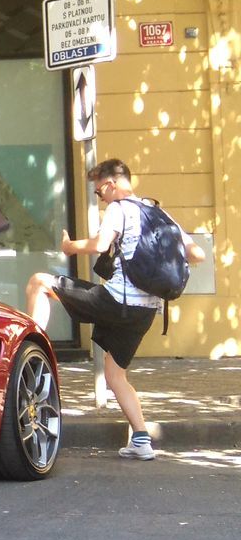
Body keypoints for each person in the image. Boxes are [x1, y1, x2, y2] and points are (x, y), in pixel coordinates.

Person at [25, 158, 206, 461]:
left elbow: (99, 244)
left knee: (39, 282)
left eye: (98, 192)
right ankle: (141, 439)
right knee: (115, 374)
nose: (100, 197)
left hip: (116, 300)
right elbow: (197, 254)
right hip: (146, 311)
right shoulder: (161, 214)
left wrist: (70, 248)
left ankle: (25, 358)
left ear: (110, 183)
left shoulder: (119, 209)